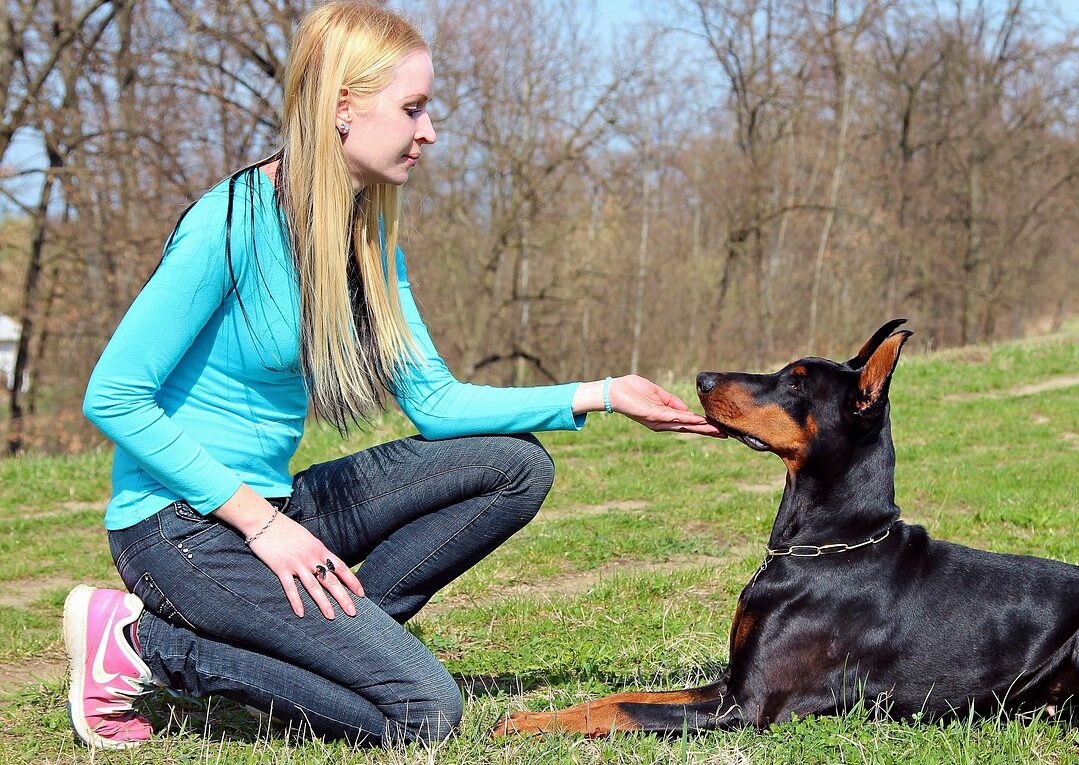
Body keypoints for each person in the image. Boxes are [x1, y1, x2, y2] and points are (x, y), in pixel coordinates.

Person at [64, 0, 719, 750]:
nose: (428, 131)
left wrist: (605, 394)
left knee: (516, 466)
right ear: (344, 107)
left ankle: (335, 643)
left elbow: (435, 402)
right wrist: (263, 526)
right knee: (424, 713)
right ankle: (142, 646)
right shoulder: (231, 222)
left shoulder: (367, 239)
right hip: (179, 529)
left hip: (278, 507)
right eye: (413, 109)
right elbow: (114, 394)